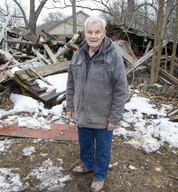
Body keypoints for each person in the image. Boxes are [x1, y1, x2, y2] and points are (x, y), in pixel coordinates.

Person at [66, 15, 128, 192]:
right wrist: (70, 105)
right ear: (85, 33)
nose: (93, 36)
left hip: (103, 115)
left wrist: (115, 117)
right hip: (83, 112)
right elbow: (71, 82)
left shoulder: (113, 56)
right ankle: (87, 165)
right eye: (89, 32)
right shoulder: (79, 54)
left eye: (97, 32)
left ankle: (99, 176)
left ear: (104, 33)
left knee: (102, 148)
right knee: (85, 143)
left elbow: (121, 89)